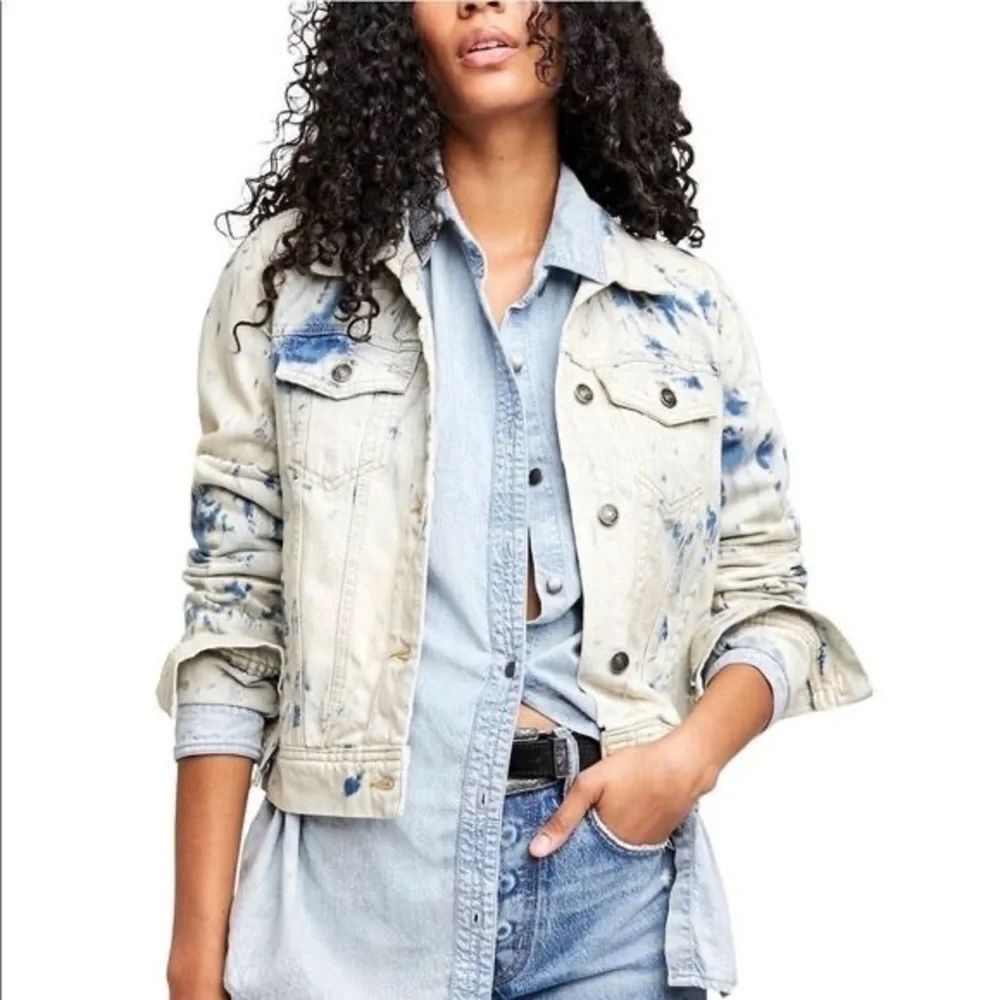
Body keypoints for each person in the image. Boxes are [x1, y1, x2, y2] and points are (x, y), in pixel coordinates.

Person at [158, 3, 873, 998]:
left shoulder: (682, 306)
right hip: (355, 901)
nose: (478, 3)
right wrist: (195, 953)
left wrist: (685, 763)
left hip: (610, 902)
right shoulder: (294, 286)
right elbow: (234, 615)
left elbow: (768, 602)